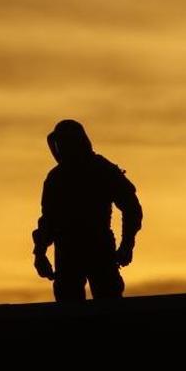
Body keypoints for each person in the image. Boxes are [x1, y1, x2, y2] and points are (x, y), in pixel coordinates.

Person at [31, 119, 143, 302]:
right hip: (70, 252)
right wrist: (40, 253)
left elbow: (131, 207)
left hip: (97, 248)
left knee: (108, 304)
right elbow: (49, 220)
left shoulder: (99, 170)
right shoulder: (57, 178)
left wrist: (127, 244)